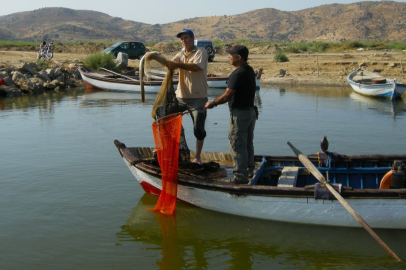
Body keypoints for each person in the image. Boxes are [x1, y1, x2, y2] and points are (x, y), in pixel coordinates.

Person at [204, 45, 257, 184]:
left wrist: (212, 103)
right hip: (251, 113)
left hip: (239, 115)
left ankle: (240, 177)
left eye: (230, 55)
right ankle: (250, 170)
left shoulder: (237, 74)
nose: (228, 56)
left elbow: (227, 95)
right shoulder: (249, 70)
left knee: (237, 145)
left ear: (238, 57)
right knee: (247, 144)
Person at [165, 29, 208, 164]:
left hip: (198, 98)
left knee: (198, 128)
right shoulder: (180, 54)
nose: (183, 41)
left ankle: (197, 156)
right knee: (166, 119)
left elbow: (195, 67)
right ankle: (165, 149)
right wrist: (154, 57)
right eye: (181, 39)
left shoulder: (201, 52)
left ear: (192, 38)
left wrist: (176, 64)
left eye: (186, 38)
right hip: (181, 97)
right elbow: (170, 64)